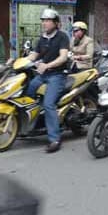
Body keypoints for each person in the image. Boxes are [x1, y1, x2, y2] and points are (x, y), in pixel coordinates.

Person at [25, 9, 70, 153]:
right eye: (43, 20)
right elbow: (34, 55)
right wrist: (20, 61)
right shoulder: (42, 38)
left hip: (57, 75)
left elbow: (63, 57)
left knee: (49, 103)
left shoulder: (62, 37)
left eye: (47, 20)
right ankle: (33, 123)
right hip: (43, 75)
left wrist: (47, 65)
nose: (44, 23)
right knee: (29, 93)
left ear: (56, 23)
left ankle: (54, 139)